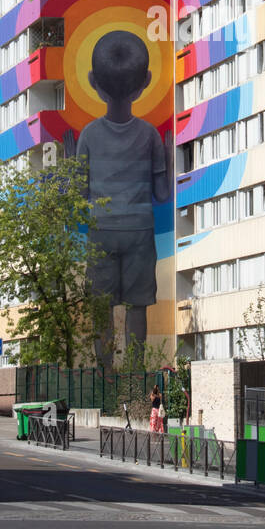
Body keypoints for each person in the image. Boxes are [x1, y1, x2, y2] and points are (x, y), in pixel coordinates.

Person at [66, 30, 172, 362]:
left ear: (93, 81)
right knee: (137, 304)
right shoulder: (151, 135)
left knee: (102, 307)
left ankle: (103, 374)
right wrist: (169, 157)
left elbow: (79, 194)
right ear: (146, 82)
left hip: (100, 232)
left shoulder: (88, 136)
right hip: (140, 230)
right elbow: (163, 193)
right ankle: (136, 374)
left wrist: (71, 166)